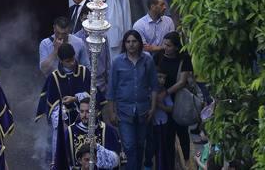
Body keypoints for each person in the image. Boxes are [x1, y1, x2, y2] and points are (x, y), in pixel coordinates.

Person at [106, 30, 158, 170]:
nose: (131, 44)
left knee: (140, 144)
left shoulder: (147, 60)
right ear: (124, 44)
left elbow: (154, 86)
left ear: (139, 43)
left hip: (143, 110)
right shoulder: (117, 62)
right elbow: (111, 88)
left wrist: (153, 108)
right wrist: (111, 112)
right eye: (128, 42)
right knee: (129, 145)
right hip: (124, 111)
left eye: (134, 41)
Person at [36, 43, 93, 139]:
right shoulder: (54, 77)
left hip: (84, 118)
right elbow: (52, 105)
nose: (72, 63)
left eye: (73, 59)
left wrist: (75, 99)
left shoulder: (84, 72)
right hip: (64, 122)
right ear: (61, 60)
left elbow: (94, 96)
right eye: (68, 61)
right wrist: (61, 122)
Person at [155, 32, 195, 168]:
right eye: (164, 44)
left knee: (182, 132)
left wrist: (166, 93)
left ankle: (187, 162)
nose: (165, 47)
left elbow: (182, 82)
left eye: (169, 45)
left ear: (176, 47)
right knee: (167, 135)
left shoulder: (184, 58)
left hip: (179, 100)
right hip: (162, 101)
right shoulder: (159, 56)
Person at [64, 97, 121, 168]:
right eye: (82, 111)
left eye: (88, 112)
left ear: (96, 112)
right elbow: (63, 160)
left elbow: (115, 161)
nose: (84, 115)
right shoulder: (70, 131)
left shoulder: (108, 131)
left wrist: (97, 147)